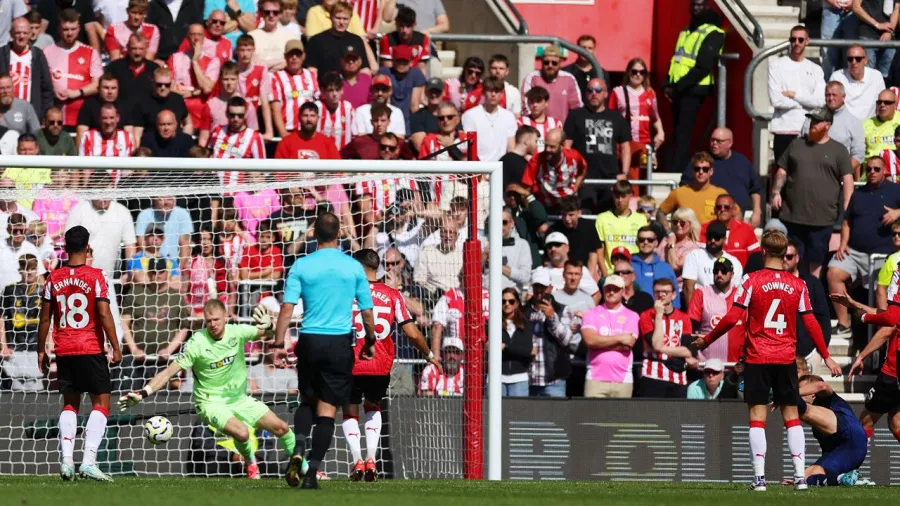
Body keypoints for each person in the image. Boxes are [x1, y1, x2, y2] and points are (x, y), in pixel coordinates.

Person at [694, 231, 841, 491]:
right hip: (785, 358)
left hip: (758, 357)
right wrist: (827, 356)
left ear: (763, 251)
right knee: (792, 417)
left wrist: (707, 340)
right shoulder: (798, 284)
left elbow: (731, 318)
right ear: (785, 254)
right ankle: (799, 477)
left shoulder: (751, 280)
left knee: (757, 418)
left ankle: (760, 479)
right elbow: (811, 322)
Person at [119, 299, 297, 481]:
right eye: (209, 320)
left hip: (239, 399)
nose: (212, 324)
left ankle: (303, 468)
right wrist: (143, 393)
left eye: (216, 320)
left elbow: (270, 331)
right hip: (210, 403)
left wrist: (270, 324)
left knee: (281, 428)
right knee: (242, 432)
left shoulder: (237, 332)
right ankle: (251, 464)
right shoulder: (196, 343)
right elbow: (168, 373)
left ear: (226, 317)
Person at [272, 212, 376, 489]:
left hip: (309, 340)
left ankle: (298, 450)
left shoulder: (301, 265)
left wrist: (278, 343)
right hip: (339, 342)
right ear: (339, 233)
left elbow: (287, 308)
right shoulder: (353, 267)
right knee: (328, 410)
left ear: (314, 234)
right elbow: (367, 311)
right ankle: (311, 473)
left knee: (307, 400)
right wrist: (370, 340)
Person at [342, 249, 437, 481]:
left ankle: (357, 460)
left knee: (349, 410)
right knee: (373, 406)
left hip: (350, 362)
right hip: (380, 363)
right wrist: (429, 353)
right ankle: (372, 459)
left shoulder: (346, 293)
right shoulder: (393, 294)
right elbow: (412, 333)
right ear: (378, 269)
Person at [38, 226, 122, 481]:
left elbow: (44, 320)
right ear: (87, 248)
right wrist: (116, 346)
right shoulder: (96, 276)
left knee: (70, 404)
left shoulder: (53, 278)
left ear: (64, 248)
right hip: (90, 347)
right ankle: (88, 461)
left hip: (64, 349)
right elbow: (104, 313)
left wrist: (41, 350)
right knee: (101, 403)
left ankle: (66, 462)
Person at [772, 107, 854, 278]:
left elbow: (847, 180)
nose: (812, 124)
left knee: (816, 260)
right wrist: (776, 193)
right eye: (812, 120)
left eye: (817, 121)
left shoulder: (838, 150)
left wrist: (848, 207)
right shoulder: (796, 144)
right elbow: (782, 171)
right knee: (792, 257)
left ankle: (812, 293)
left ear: (828, 125)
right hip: (792, 216)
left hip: (822, 218)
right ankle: (793, 292)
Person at [828, 156, 900, 337]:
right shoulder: (858, 194)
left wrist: (898, 212)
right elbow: (846, 221)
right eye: (868, 169)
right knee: (833, 273)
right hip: (856, 253)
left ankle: (883, 332)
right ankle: (844, 325)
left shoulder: (895, 190)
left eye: (876, 169)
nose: (872, 173)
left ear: (884, 171)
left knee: (882, 292)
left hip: (885, 256)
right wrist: (843, 243)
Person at [664, 0, 724, 175]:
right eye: (694, 4)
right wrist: (667, 83)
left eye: (701, 5)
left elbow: (703, 67)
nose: (696, 8)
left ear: (708, 7)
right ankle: (673, 169)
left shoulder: (714, 33)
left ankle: (678, 172)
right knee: (676, 133)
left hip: (694, 90)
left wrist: (677, 87)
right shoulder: (686, 31)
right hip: (678, 90)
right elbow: (676, 59)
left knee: (684, 134)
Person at [779, 375, 868, 486]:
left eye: (803, 389)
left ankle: (778, 388)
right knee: (805, 478)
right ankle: (847, 480)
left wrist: (788, 393)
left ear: (813, 392)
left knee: (801, 408)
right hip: (845, 452)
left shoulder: (828, 398)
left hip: (851, 435)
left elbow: (821, 385)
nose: (800, 393)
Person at [120, 257, 191, 389]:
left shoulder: (176, 296)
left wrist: (169, 350)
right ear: (148, 273)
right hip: (137, 360)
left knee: (163, 399)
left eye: (160, 271)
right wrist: (134, 348)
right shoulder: (136, 292)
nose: (157, 275)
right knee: (130, 394)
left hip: (164, 361)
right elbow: (124, 323)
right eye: (153, 272)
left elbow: (183, 328)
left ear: (167, 273)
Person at [564, 77, 631, 211]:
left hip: (610, 178)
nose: (594, 93)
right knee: (586, 217)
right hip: (584, 179)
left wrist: (624, 173)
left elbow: (625, 147)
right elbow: (566, 148)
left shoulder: (616, 117)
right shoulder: (575, 116)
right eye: (590, 90)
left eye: (598, 90)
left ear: (606, 94)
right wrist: (571, 173)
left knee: (608, 217)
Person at [679, 128, 763, 227]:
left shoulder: (742, 162)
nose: (714, 143)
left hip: (735, 222)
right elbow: (684, 187)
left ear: (730, 143)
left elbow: (755, 189)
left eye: (719, 141)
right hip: (707, 223)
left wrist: (757, 212)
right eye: (712, 140)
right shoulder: (702, 162)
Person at [767, 26, 826, 163]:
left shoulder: (816, 69)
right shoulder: (776, 65)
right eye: (793, 39)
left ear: (807, 41)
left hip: (807, 131)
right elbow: (776, 100)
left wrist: (794, 95)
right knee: (782, 177)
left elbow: (820, 101)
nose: (797, 43)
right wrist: (807, 103)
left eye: (800, 39)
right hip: (783, 130)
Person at [581, 275, 639, 398]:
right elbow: (590, 341)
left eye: (616, 289)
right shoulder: (590, 313)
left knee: (621, 418)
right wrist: (619, 338)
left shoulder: (632, 315)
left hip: (623, 379)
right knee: (593, 417)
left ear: (623, 291)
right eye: (608, 288)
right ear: (603, 290)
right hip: (595, 378)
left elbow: (628, 344)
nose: (611, 292)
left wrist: (600, 343)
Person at [608, 57, 664, 185]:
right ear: (628, 72)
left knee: (642, 181)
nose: (638, 75)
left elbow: (655, 117)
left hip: (644, 143)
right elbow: (610, 118)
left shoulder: (650, 93)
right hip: (625, 143)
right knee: (626, 179)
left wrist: (660, 132)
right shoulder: (618, 92)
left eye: (642, 72)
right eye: (634, 71)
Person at [44, 9, 103, 127]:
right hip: (55, 121)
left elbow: (98, 84)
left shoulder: (90, 53)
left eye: (73, 29)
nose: (69, 33)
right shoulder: (47, 51)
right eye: (66, 29)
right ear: (59, 29)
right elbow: (40, 83)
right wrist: (53, 91)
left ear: (79, 28)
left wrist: (77, 93)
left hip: (83, 119)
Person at [638, 278, 695, 398]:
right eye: (657, 292)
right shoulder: (646, 315)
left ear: (674, 295)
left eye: (665, 292)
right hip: (652, 373)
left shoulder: (683, 318)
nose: (661, 295)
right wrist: (658, 315)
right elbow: (654, 343)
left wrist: (660, 348)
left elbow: (687, 350)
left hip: (677, 375)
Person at [526, 268, 576, 397]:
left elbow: (566, 340)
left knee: (556, 417)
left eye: (542, 287)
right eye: (536, 286)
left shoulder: (563, 309)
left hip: (554, 380)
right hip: (528, 379)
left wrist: (552, 317)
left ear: (550, 287)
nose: (539, 290)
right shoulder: (523, 311)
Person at [687, 256, 743, 363]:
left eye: (724, 271)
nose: (719, 274)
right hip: (707, 365)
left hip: (735, 365)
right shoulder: (701, 293)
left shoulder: (741, 295)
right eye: (716, 271)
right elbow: (691, 327)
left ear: (732, 274)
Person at [0, 17, 54, 120]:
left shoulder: (38, 55)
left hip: (30, 115)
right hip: (4, 115)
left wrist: (44, 114)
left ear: (30, 34)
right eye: (18, 33)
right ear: (11, 34)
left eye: (25, 33)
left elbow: (47, 89)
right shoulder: (1, 54)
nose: (21, 36)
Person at [197, 62, 262, 145]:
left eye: (233, 79)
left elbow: (254, 136)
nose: (229, 83)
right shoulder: (210, 105)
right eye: (226, 79)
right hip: (217, 151)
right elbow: (203, 138)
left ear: (238, 79)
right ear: (220, 79)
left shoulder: (248, 105)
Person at [305, 1, 376, 76]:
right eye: (338, 18)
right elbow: (311, 69)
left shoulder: (356, 40)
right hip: (325, 84)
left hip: (350, 85)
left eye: (345, 19)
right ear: (331, 17)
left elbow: (364, 69)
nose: (341, 22)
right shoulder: (316, 40)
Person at [521, 128, 585, 209]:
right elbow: (526, 187)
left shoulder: (574, 156)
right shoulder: (537, 160)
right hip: (546, 204)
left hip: (568, 203)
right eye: (546, 145)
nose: (547, 149)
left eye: (552, 146)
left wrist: (576, 186)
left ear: (562, 146)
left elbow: (583, 169)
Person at [661, 151, 732, 224]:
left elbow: (736, 213)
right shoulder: (679, 192)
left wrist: (731, 233)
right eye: (697, 169)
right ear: (693, 171)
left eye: (705, 169)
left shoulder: (721, 194)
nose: (701, 172)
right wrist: (670, 233)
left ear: (711, 171)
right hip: (687, 235)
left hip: (711, 235)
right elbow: (660, 213)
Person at [595, 180, 647, 277]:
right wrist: (605, 274)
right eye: (617, 197)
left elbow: (644, 247)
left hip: (633, 272)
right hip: (611, 272)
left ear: (630, 196)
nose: (620, 200)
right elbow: (599, 250)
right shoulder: (602, 218)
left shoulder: (641, 219)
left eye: (623, 196)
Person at [682, 221, 742, 304]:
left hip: (724, 309)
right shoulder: (695, 256)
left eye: (717, 237)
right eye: (709, 237)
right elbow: (688, 288)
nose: (712, 240)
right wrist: (692, 314)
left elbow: (735, 293)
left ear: (724, 239)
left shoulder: (734, 262)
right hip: (699, 307)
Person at [269, 40, 319, 138]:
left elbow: (318, 104)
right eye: (291, 54)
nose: (294, 58)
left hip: (309, 131)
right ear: (285, 56)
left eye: (298, 54)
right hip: (288, 131)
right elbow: (275, 109)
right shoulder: (276, 77)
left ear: (304, 56)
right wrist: (283, 132)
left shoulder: (311, 76)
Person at [521, 45, 581, 124]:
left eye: (554, 63)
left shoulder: (569, 79)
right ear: (542, 62)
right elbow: (526, 104)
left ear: (560, 63)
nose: (550, 65)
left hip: (561, 130)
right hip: (536, 128)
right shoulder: (532, 77)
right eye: (546, 62)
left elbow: (576, 108)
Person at [461, 76, 516, 162]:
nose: (493, 94)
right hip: (478, 168)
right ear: (483, 92)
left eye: (497, 91)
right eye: (490, 90)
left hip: (500, 168)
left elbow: (511, 148)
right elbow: (468, 147)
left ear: (502, 94)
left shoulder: (509, 116)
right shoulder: (470, 115)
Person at [105, 34, 160, 118]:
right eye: (134, 48)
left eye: (141, 49)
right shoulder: (115, 67)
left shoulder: (154, 69)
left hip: (147, 120)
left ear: (146, 49)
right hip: (121, 118)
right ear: (127, 48)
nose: (137, 52)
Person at [132, 68, 192, 144]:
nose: (163, 88)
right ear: (153, 83)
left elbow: (188, 123)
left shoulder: (177, 99)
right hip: (151, 147)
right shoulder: (143, 102)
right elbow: (137, 131)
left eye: (167, 85)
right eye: (159, 84)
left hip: (175, 146)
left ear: (172, 83)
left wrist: (184, 141)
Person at [548, 196, 602, 279]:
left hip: (584, 273)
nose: (567, 219)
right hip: (560, 274)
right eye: (563, 214)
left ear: (579, 213)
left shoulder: (589, 227)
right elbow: (548, 257)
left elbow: (593, 254)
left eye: (571, 215)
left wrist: (589, 277)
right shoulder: (554, 230)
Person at [700, 193, 760, 267]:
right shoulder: (704, 228)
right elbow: (701, 255)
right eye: (719, 207)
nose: (722, 210)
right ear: (715, 210)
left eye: (726, 207)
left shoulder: (746, 229)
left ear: (734, 210)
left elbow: (756, 257)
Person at [831, 44, 884, 121]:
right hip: (844, 126)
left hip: (870, 127)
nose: (854, 62)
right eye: (850, 59)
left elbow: (881, 103)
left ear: (865, 60)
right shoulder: (837, 77)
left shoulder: (876, 76)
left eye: (858, 59)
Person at [377, 45, 425, 132]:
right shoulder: (385, 72)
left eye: (405, 61)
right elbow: (383, 100)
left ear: (410, 62)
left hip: (408, 121)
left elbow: (414, 106)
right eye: (399, 61)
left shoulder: (416, 73)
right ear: (393, 61)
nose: (402, 64)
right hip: (387, 118)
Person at [274, 102, 341, 161]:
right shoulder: (286, 143)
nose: (309, 119)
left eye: (312, 116)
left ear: (318, 118)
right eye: (305, 115)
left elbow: (337, 172)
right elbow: (279, 172)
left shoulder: (328, 143)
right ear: (299, 118)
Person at [631, 225, 679, 306]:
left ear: (656, 243)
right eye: (642, 240)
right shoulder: (627, 266)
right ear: (637, 242)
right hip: (633, 313)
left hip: (660, 313)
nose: (646, 242)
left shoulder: (666, 268)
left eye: (650, 240)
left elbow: (675, 296)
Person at [853, 0, 899, 77]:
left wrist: (890, 31)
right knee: (867, 72)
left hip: (889, 36)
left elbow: (896, 9)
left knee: (886, 74)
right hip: (867, 33)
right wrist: (876, 24)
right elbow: (855, 6)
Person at [501, 287, 533, 397]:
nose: (507, 304)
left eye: (511, 301)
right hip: (496, 378)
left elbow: (527, 350)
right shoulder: (491, 324)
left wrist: (506, 347)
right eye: (503, 301)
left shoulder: (526, 324)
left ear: (517, 303)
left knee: (518, 414)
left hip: (519, 378)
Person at [250, 0, 297, 71]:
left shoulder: (290, 36)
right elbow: (251, 65)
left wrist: (265, 65)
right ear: (261, 13)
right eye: (267, 12)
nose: (271, 15)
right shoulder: (251, 36)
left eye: (275, 12)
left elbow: (292, 62)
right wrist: (280, 61)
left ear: (280, 13)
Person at [314, 72, 354, 151]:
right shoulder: (317, 108)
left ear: (342, 90)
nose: (334, 94)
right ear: (323, 91)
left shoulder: (348, 108)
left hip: (343, 156)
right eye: (330, 90)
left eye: (337, 90)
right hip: (321, 155)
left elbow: (355, 135)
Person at [562, 34, 601, 104]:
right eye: (583, 48)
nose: (586, 51)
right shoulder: (566, 72)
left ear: (594, 51)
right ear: (577, 50)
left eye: (590, 48)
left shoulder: (601, 73)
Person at [863, 88, 900, 159]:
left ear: (895, 105)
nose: (882, 105)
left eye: (887, 102)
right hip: (872, 168)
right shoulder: (865, 125)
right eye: (879, 102)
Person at [501, 124, 538, 191]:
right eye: (535, 141)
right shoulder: (506, 162)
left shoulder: (506, 160)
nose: (537, 145)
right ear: (527, 141)